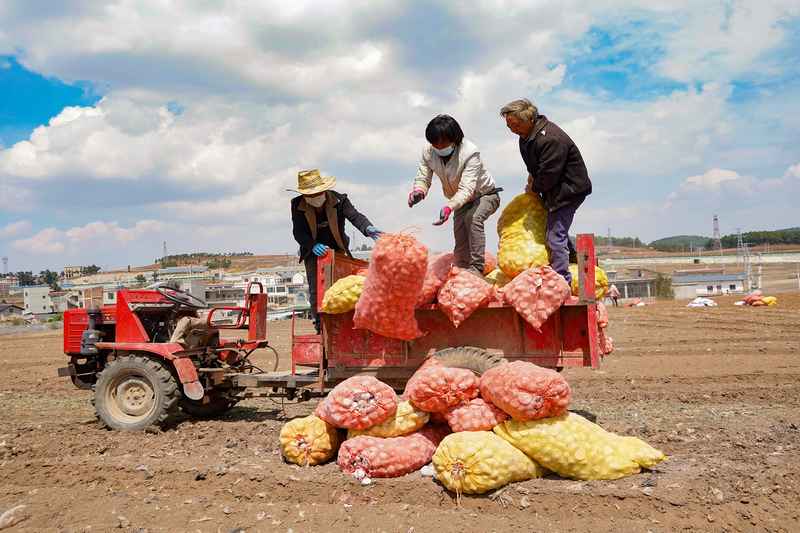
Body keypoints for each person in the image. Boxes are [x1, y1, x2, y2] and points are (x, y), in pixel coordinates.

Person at [500, 99, 592, 286]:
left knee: (554, 236)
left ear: (529, 120)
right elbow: (536, 168)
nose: (511, 129)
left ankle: (560, 282)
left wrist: (534, 189)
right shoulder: (526, 138)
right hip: (553, 189)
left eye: (515, 125)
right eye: (508, 125)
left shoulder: (550, 138)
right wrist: (531, 182)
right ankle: (572, 263)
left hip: (568, 190)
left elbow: (549, 173)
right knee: (556, 230)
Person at [290, 169, 382, 333]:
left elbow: (355, 216)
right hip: (313, 251)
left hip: (337, 248)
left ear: (324, 190)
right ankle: (320, 324)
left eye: (317, 193)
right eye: (310, 196)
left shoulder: (339, 200)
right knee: (316, 289)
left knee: (342, 286)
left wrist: (368, 228)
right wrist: (312, 245)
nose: (314, 198)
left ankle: (345, 322)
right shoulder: (297, 205)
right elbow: (298, 232)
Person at [408, 114, 501, 275]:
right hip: (460, 201)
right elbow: (423, 176)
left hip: (485, 195)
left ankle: (477, 268)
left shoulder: (470, 153)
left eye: (443, 143)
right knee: (460, 232)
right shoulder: (428, 151)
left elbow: (467, 188)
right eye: (434, 143)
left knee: (473, 218)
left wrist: (449, 206)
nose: (438, 146)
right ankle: (462, 269)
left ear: (455, 139)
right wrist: (419, 191)